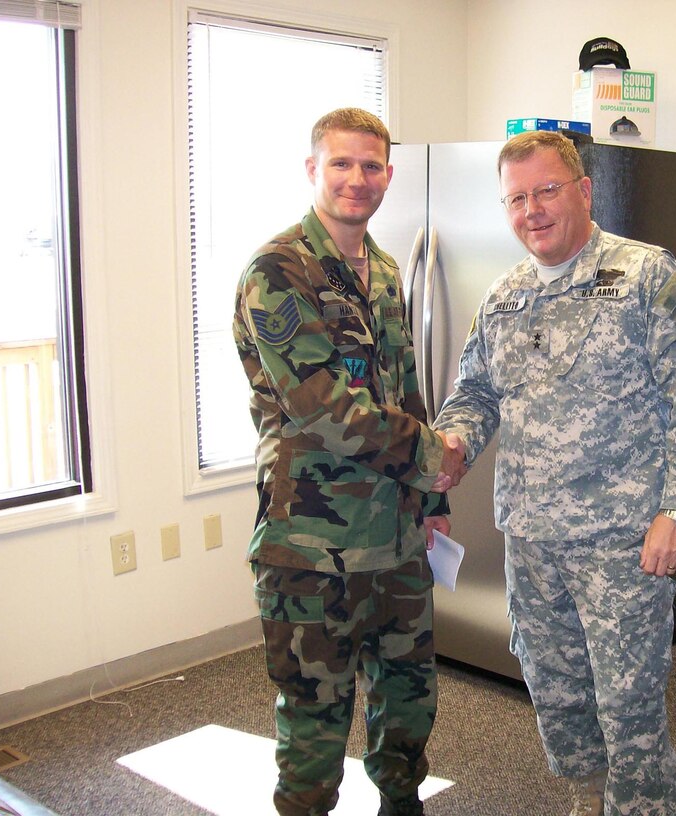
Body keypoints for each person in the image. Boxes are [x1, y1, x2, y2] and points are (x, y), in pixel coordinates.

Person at [432, 131, 676, 816]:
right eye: (516, 198)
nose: (531, 210)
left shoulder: (646, 276)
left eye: (545, 191)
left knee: (628, 706)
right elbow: (476, 392)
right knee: (557, 693)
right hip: (532, 539)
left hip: (622, 543)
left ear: (583, 192)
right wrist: (451, 445)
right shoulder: (505, 296)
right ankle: (588, 799)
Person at [232, 107, 465, 816]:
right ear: (313, 170)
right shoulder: (276, 272)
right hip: (312, 545)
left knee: (407, 696)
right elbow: (323, 407)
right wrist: (436, 456)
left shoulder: (387, 272)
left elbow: (405, 387)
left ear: (389, 175)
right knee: (314, 723)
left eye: (370, 166)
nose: (356, 179)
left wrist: (433, 500)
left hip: (394, 537)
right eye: (341, 163)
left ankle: (402, 803)